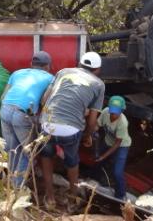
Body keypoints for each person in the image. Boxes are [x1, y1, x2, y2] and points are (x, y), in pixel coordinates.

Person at [39, 51, 105, 210]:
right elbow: (92, 120)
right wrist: (87, 136)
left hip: (47, 124)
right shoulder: (98, 84)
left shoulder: (63, 72)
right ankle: (72, 200)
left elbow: (44, 100)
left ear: (80, 64)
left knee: (46, 157)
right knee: (72, 161)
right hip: (70, 130)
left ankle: (49, 198)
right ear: (98, 70)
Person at [0, 51, 54, 188]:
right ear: (48, 66)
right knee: (26, 152)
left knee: (12, 150)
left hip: (5, 109)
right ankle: (18, 190)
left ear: (31, 64)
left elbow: (2, 97)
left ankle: (11, 186)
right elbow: (44, 101)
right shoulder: (51, 78)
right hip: (23, 113)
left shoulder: (17, 73)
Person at [95, 95, 131, 200]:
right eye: (112, 111)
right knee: (98, 161)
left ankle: (120, 195)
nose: (113, 114)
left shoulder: (123, 123)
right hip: (108, 141)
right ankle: (95, 180)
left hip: (121, 146)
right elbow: (97, 124)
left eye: (116, 112)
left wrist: (103, 156)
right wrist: (94, 132)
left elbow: (117, 144)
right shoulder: (105, 112)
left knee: (117, 172)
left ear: (122, 110)